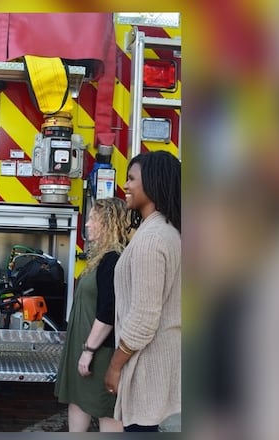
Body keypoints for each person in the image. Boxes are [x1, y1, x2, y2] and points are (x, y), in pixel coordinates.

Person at [104, 150, 181, 432]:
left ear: (153, 183)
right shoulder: (170, 232)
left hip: (149, 374)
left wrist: (114, 366)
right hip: (165, 369)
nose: (126, 185)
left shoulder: (152, 240)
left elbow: (145, 318)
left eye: (132, 179)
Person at [54, 197, 130, 432]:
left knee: (107, 409)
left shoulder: (113, 259)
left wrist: (88, 351)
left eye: (92, 220)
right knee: (78, 401)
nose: (87, 225)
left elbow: (108, 312)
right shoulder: (100, 258)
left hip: (100, 353)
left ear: (108, 224)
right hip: (85, 348)